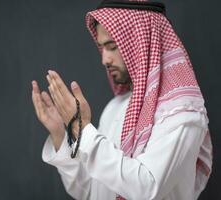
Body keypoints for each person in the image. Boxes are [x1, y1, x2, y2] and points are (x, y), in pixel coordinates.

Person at [31, 0, 213, 199]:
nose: (104, 59)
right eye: (102, 47)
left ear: (141, 44)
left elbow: (146, 188)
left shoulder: (182, 112)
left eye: (112, 47)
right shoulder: (115, 108)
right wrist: (61, 132)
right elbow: (90, 191)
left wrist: (81, 129)